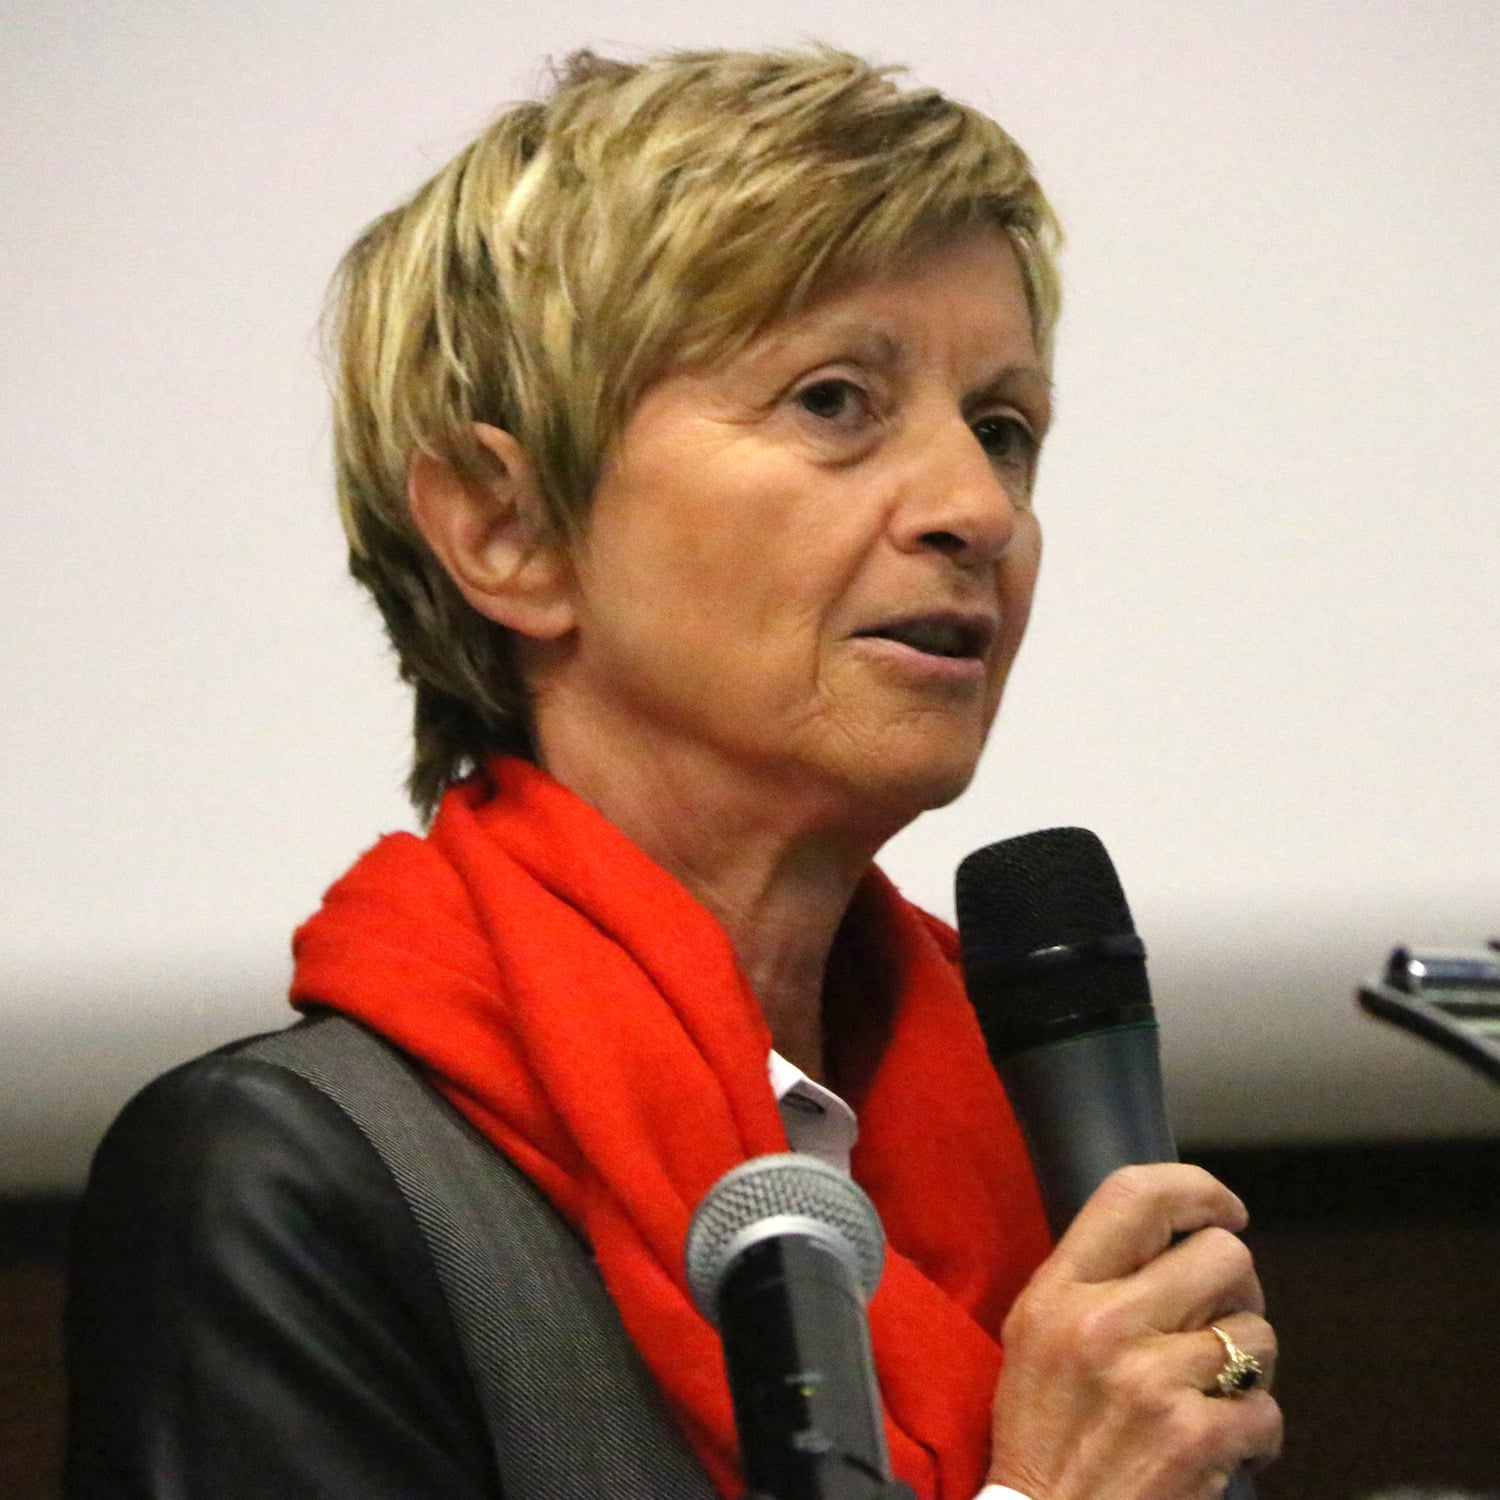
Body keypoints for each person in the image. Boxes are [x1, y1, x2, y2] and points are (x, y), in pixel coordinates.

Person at [65, 46, 1281, 1500]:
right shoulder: (288, 1186)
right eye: (833, 401)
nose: (976, 508)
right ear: (509, 530)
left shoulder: (1044, 1164)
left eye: (1003, 428)